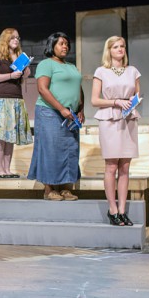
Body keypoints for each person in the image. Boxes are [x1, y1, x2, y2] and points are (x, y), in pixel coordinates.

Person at [27, 32, 84, 201]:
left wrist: (81, 109)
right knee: (51, 149)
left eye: (67, 44)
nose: (65, 46)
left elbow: (79, 89)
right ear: (52, 46)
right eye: (61, 43)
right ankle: (49, 189)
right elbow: (43, 89)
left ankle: (66, 188)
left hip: (71, 115)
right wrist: (60, 109)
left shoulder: (72, 67)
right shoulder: (46, 64)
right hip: (50, 112)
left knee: (70, 149)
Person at [91, 36, 141, 226]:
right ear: (109, 50)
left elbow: (136, 95)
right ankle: (112, 210)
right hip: (109, 118)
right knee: (111, 166)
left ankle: (122, 210)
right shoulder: (101, 71)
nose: (120, 49)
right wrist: (116, 101)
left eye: (122, 46)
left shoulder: (133, 71)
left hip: (128, 118)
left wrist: (132, 102)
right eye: (116, 47)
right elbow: (95, 100)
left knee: (125, 167)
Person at [0, 28, 33, 178]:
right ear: (5, 39)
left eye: (17, 38)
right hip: (0, 99)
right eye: (12, 38)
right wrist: (11, 75)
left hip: (15, 99)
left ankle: (7, 169)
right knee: (1, 137)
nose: (16, 40)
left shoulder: (18, 56)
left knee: (10, 137)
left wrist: (25, 72)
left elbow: (23, 79)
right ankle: (0, 170)